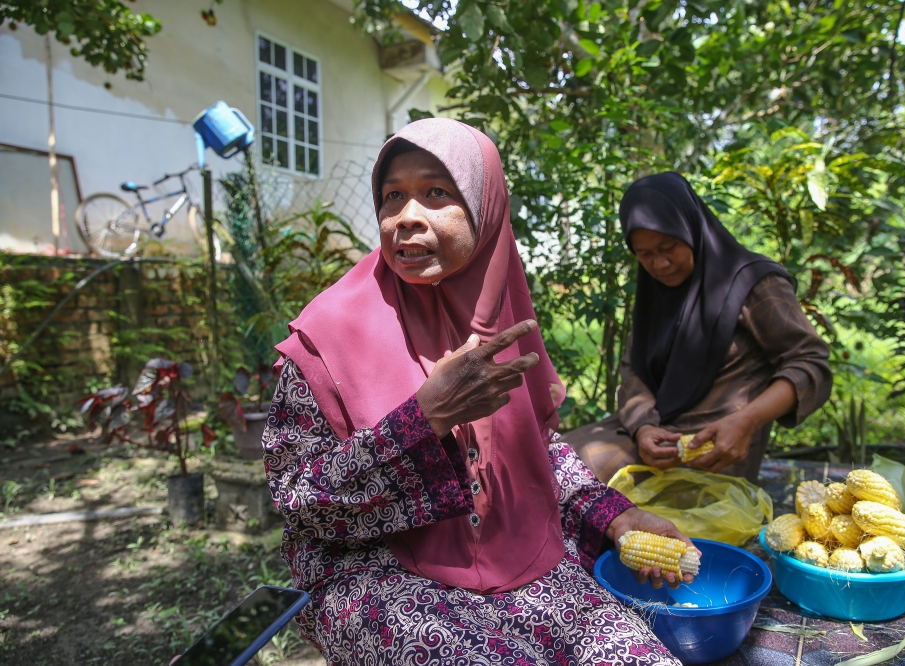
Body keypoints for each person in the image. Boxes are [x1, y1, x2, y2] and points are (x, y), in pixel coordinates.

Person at [262, 118, 696, 665]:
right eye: (393, 196)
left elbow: (534, 447)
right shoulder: (327, 338)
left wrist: (616, 515)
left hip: (521, 559)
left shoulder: (502, 320)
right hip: (375, 574)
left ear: (486, 211)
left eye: (437, 193)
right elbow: (298, 500)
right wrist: (423, 418)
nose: (406, 218)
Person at [562, 173, 832, 484]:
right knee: (547, 455)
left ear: (691, 231)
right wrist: (643, 426)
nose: (660, 264)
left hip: (712, 449)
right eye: (645, 254)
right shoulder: (656, 295)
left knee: (572, 476)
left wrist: (746, 421)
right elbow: (633, 369)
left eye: (669, 246)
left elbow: (810, 363)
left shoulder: (751, 284)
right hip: (652, 435)